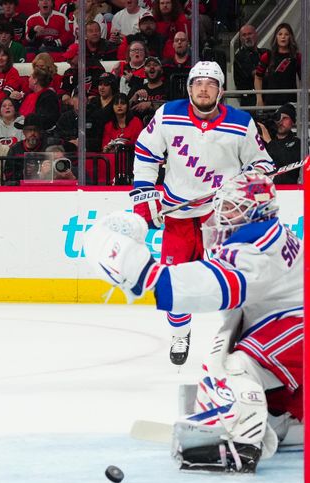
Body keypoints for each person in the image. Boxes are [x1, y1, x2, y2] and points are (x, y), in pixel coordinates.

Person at [84, 175, 306, 473]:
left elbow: (208, 287)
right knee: (236, 360)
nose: (222, 213)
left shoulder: (256, 252)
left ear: (255, 212)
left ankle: (242, 445)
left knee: (235, 369)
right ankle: (284, 420)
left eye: (232, 207)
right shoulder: (265, 234)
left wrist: (143, 271)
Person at [130, 60, 274, 366]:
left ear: (221, 90)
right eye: (198, 83)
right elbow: (146, 151)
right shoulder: (168, 114)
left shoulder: (240, 122)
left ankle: (240, 337)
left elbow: (262, 165)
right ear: (189, 87)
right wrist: (144, 195)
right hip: (178, 214)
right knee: (176, 279)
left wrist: (247, 186)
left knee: (235, 279)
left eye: (210, 84)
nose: (203, 89)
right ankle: (180, 333)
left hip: (223, 218)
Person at [254, 22, 300, 107]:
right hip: (271, 101)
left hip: (290, 101)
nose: (283, 37)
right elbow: (258, 77)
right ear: (276, 37)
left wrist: (302, 98)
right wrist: (259, 98)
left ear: (290, 37)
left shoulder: (297, 57)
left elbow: (303, 79)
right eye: (280, 34)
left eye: (286, 34)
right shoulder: (267, 56)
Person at [3, 113, 47, 185]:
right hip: (20, 188)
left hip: (44, 186)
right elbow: (8, 174)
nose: (33, 133)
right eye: (29, 130)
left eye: (35, 130)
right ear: (24, 132)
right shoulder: (15, 149)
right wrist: (23, 173)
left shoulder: (46, 147)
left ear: (40, 132)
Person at [233, 24, 268, 107]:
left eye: (250, 34)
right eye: (244, 35)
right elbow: (256, 74)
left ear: (256, 35)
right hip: (250, 100)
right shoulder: (240, 56)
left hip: (268, 96)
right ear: (241, 39)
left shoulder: (265, 52)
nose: (247, 37)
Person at [265, 102, 300, 184]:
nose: (280, 121)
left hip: (288, 190)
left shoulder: (297, 142)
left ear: (292, 122)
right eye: (278, 118)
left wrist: (269, 142)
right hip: (265, 189)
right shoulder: (266, 139)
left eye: (285, 118)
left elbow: (289, 165)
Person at [127, 55, 166, 124]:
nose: (151, 67)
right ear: (144, 71)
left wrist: (150, 105)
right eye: (148, 65)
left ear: (161, 70)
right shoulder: (137, 88)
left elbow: (173, 106)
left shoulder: (168, 87)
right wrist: (134, 97)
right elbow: (123, 109)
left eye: (155, 65)